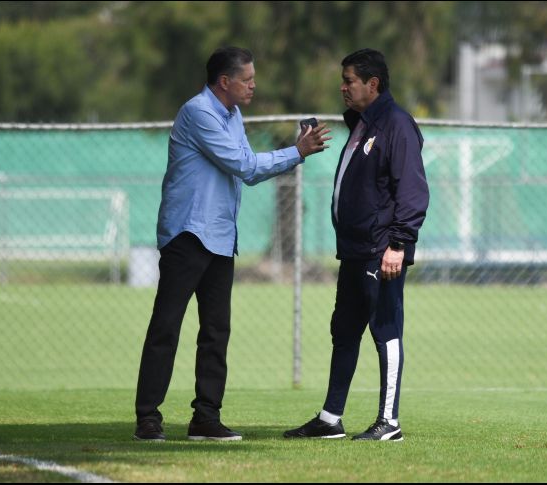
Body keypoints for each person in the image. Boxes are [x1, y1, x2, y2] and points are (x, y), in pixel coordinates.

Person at [134, 46, 331, 442]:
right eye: (247, 79)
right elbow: (241, 166)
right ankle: (147, 419)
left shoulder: (234, 115)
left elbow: (248, 169)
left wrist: (293, 153)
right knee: (166, 328)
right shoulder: (198, 112)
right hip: (187, 233)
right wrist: (296, 152)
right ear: (225, 82)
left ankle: (205, 418)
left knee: (215, 332)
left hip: (221, 237)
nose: (254, 85)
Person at [283, 48, 429, 441]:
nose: (343, 87)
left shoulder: (397, 125)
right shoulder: (364, 124)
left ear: (373, 84)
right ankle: (331, 419)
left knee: (386, 330)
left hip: (382, 251)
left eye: (349, 81)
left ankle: (389, 422)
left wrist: (398, 243)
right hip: (353, 250)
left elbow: (412, 192)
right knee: (344, 330)